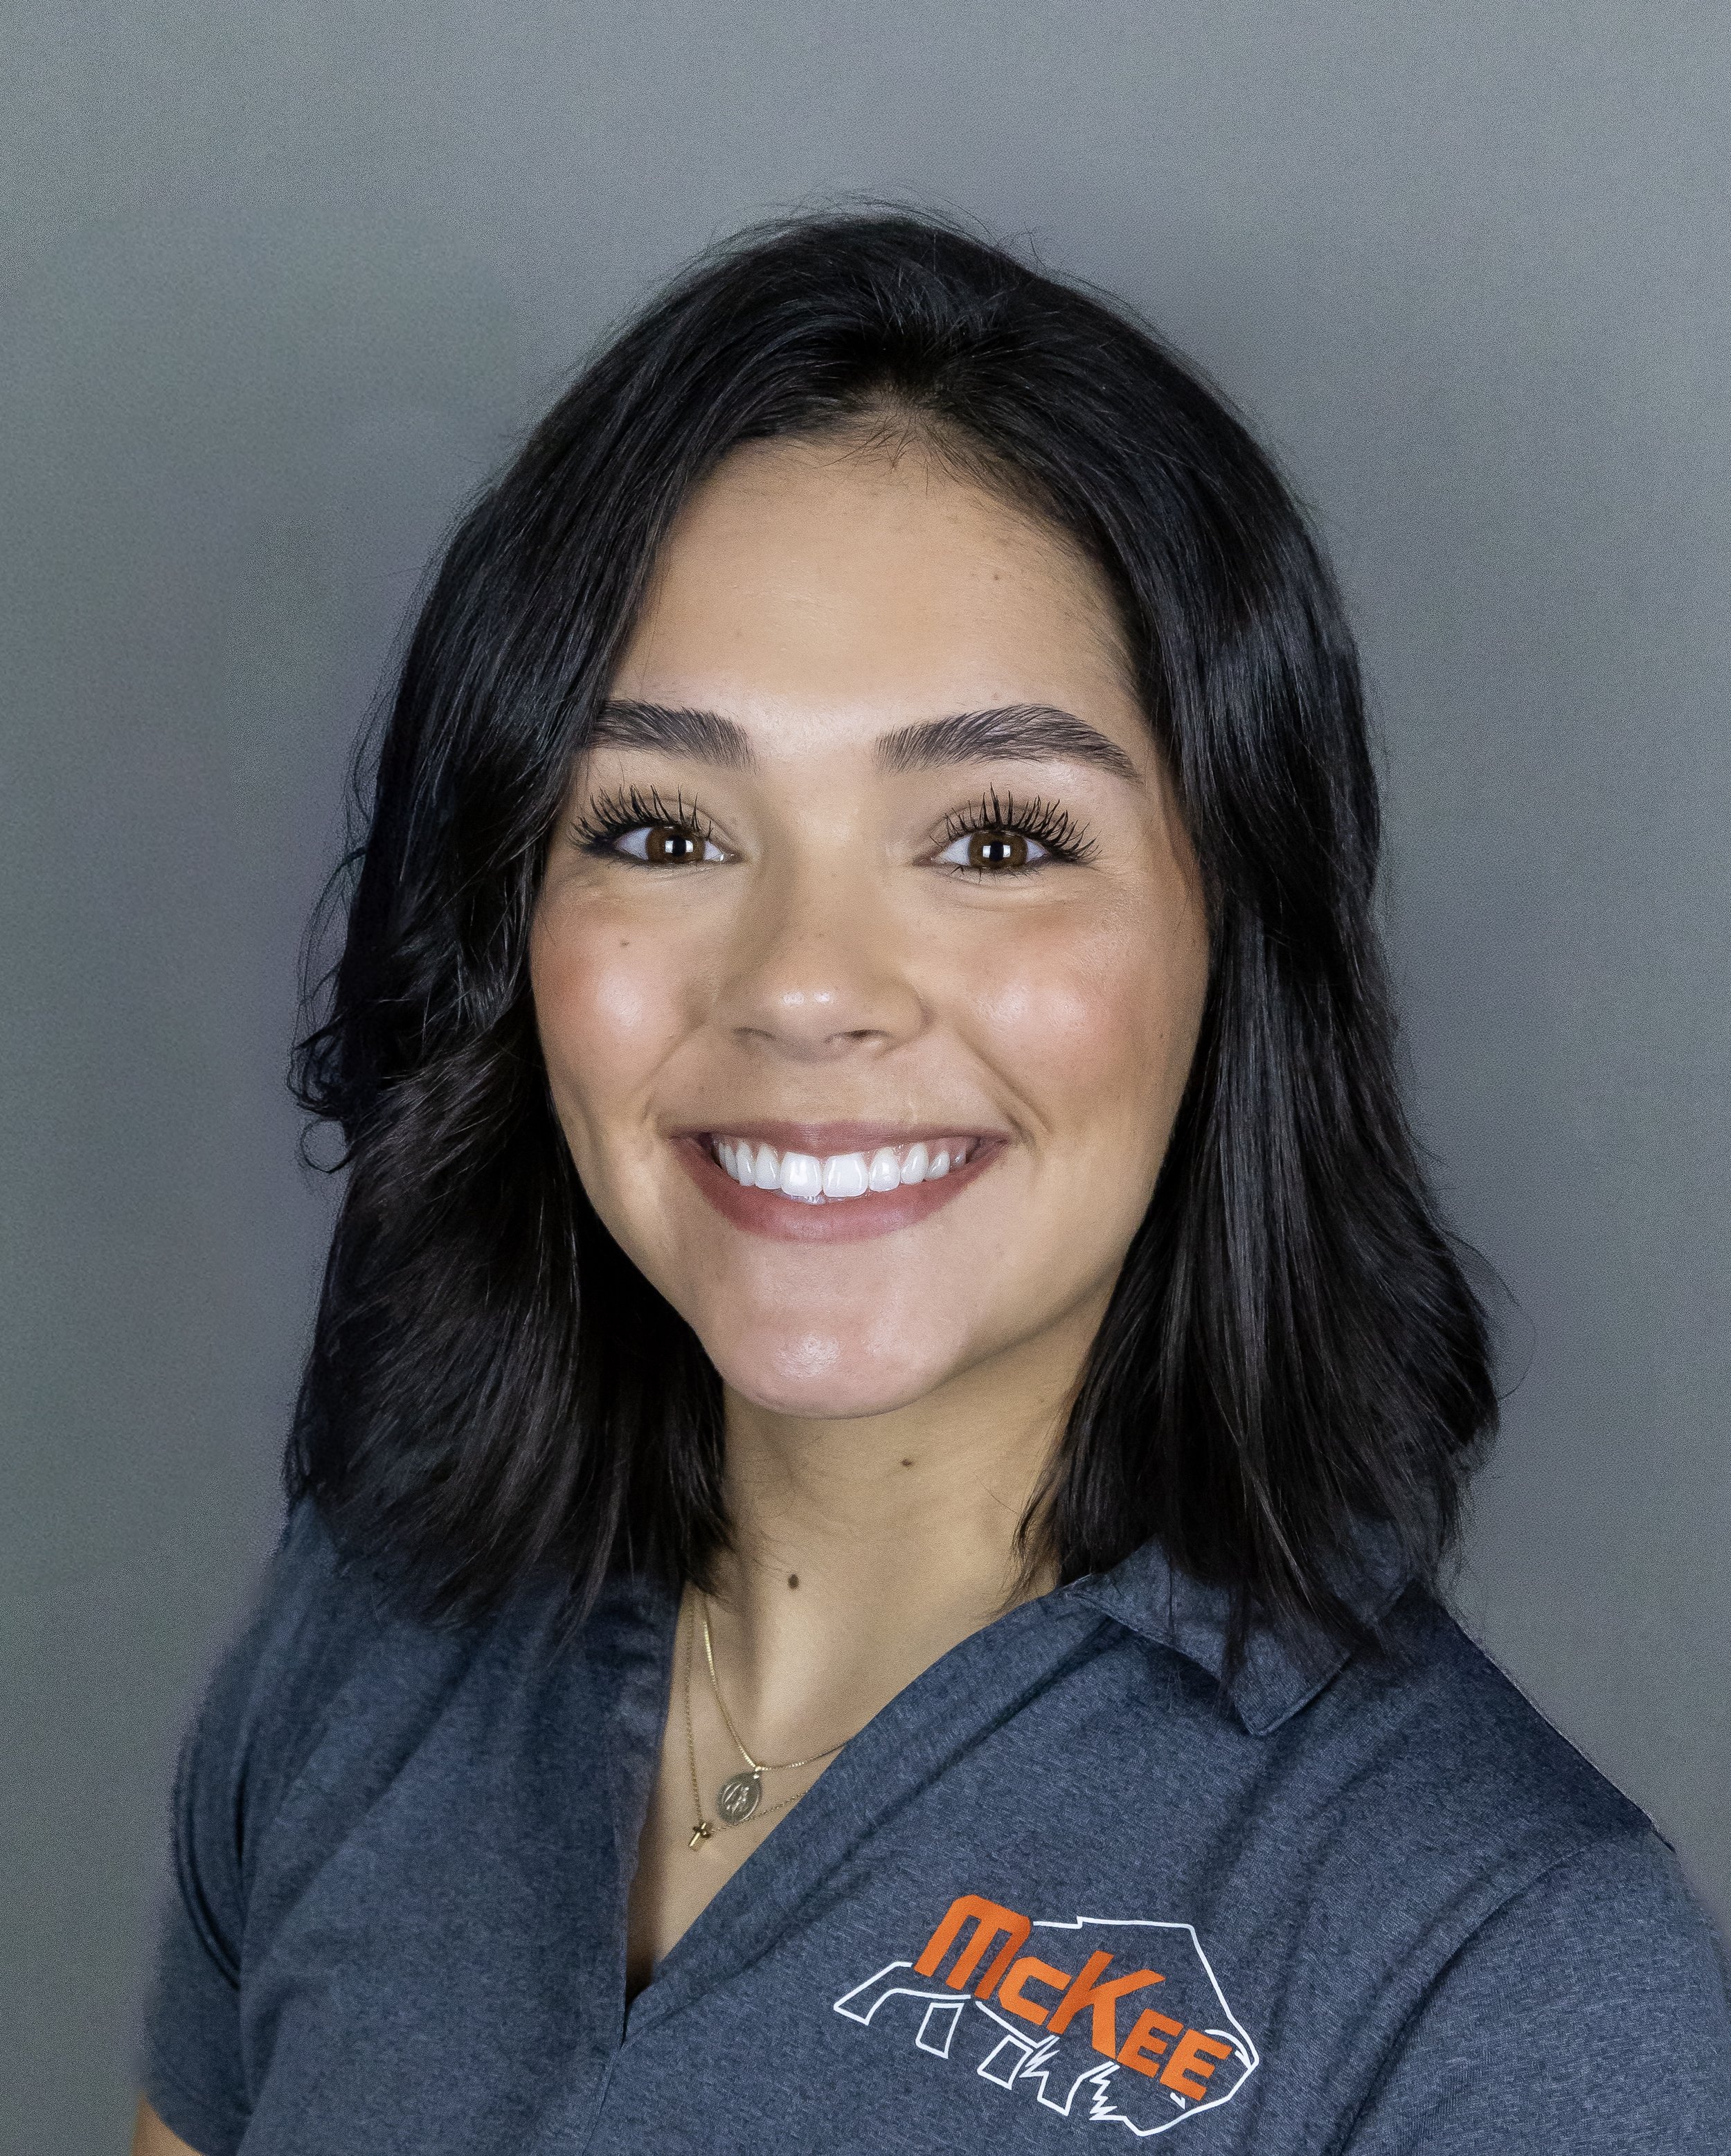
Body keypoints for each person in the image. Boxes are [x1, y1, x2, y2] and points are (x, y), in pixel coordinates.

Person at [134, 212, 1731, 2155]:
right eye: (662, 828)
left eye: (994, 840)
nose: (806, 986)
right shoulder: (364, 1627)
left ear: (1235, 941)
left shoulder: (1506, 1968)